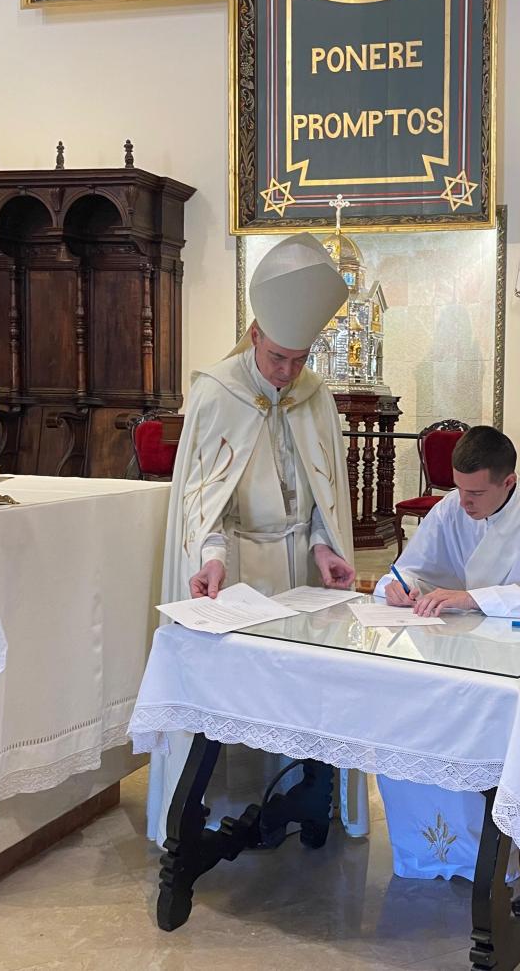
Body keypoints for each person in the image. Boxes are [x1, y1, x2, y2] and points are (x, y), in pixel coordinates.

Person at [146, 232, 365, 844]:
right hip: (239, 571)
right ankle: (225, 807)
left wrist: (325, 547)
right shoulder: (217, 392)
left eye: (300, 360)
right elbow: (202, 501)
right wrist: (209, 559)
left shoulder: (313, 395)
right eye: (277, 360)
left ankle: (302, 800)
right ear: (253, 335)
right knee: (237, 705)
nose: (288, 374)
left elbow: (323, 490)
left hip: (298, 574)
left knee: (301, 697)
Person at [372, 425, 520, 879]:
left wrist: (473, 598)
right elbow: (410, 570)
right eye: (457, 488)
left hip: (518, 660)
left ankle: (487, 854)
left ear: (507, 483)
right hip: (456, 649)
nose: (463, 502)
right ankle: (422, 851)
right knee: (404, 716)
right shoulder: (453, 507)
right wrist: (399, 587)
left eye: (475, 493)